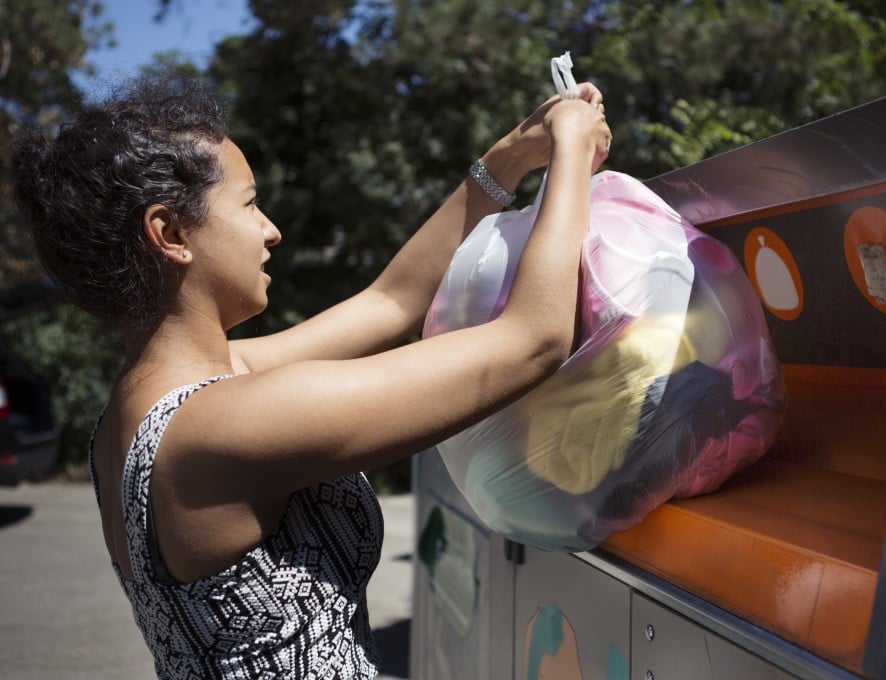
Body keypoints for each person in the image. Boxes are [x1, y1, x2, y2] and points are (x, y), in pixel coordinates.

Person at [11, 74, 611, 679]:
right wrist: (571, 154)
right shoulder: (227, 423)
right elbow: (533, 341)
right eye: (249, 204)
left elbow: (391, 302)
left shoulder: (141, 412)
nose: (270, 229)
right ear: (170, 234)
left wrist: (508, 158)